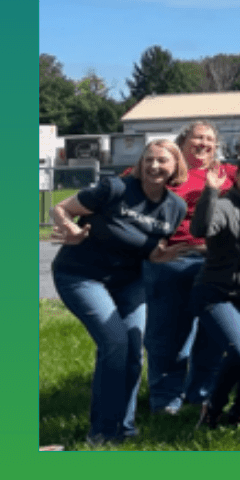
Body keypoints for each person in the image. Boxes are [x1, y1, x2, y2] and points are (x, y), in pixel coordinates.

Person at [48, 140, 188, 445]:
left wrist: (160, 256)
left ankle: (124, 429)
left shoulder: (175, 207)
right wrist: (70, 229)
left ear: (176, 166)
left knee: (133, 351)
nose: (154, 166)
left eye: (162, 160)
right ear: (140, 163)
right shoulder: (115, 189)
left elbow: (145, 247)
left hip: (129, 282)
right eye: (148, 159)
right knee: (115, 341)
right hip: (81, 275)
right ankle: (101, 433)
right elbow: (60, 207)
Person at [143, 122, 238, 416]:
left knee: (212, 335)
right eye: (198, 137)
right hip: (173, 261)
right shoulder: (167, 171)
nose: (204, 143)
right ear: (183, 142)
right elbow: (127, 196)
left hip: (216, 263)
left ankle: (200, 395)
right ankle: (166, 401)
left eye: (210, 139)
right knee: (169, 335)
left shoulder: (228, 173)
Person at [187, 153, 240, 430]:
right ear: (237, 177)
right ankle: (213, 406)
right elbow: (200, 228)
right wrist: (210, 192)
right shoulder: (224, 206)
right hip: (217, 293)